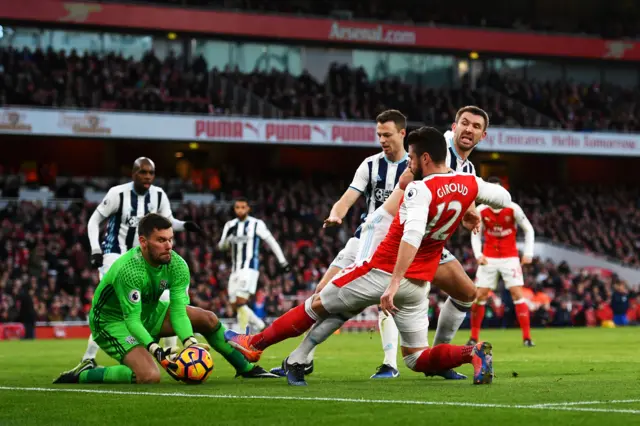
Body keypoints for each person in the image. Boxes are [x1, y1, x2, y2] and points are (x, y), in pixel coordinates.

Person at [225, 127, 512, 386]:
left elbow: (411, 236)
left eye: (411, 158)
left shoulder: (419, 189)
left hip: (382, 271)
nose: (408, 164)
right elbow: (503, 199)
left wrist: (393, 283)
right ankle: (471, 352)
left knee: (316, 303)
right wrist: (471, 207)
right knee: (415, 358)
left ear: (425, 159)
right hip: (420, 284)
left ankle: (255, 343)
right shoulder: (470, 183)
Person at [53, 213, 277, 384]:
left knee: (207, 318)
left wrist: (189, 342)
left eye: (170, 239)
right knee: (149, 375)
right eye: (161, 240)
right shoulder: (129, 270)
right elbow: (132, 320)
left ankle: (246, 368)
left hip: (150, 312)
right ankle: (87, 374)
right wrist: (155, 349)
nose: (169, 245)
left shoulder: (177, 265)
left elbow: (179, 309)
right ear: (143, 242)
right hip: (113, 322)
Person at [72, 157, 204, 372]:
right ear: (133, 173)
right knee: (115, 309)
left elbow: (169, 222)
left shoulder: (159, 195)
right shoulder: (117, 194)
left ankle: (170, 352)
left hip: (145, 260)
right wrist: (96, 249)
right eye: (142, 172)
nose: (147, 177)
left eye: (150, 173)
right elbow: (94, 221)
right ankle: (89, 358)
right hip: (115, 255)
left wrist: (185, 225)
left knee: (165, 301)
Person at [468, 177, 536, 346]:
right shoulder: (482, 210)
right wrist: (478, 255)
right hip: (488, 258)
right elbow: (475, 232)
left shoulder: (513, 209)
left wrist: (528, 253)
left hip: (510, 258)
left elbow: (529, 230)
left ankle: (527, 338)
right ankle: (473, 337)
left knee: (517, 294)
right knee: (480, 296)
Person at [218, 197, 291, 332]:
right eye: (237, 207)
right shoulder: (230, 225)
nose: (240, 210)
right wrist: (227, 237)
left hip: (249, 268)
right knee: (234, 305)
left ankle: (242, 336)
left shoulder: (256, 224)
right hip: (235, 270)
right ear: (234, 209)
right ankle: (261, 325)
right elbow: (222, 246)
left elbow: (271, 242)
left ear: (248, 208)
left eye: (243, 207)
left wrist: (283, 261)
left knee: (241, 302)